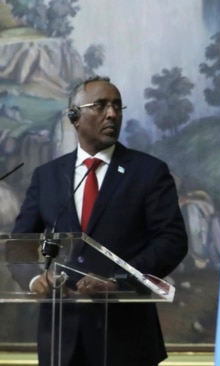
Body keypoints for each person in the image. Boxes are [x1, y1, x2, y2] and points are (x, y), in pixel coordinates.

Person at [11, 76, 188, 366]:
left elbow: (172, 240)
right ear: (74, 116)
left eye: (117, 106)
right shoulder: (48, 176)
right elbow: (20, 246)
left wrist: (120, 281)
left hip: (126, 337)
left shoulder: (148, 172)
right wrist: (34, 280)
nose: (112, 114)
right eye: (101, 105)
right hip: (61, 338)